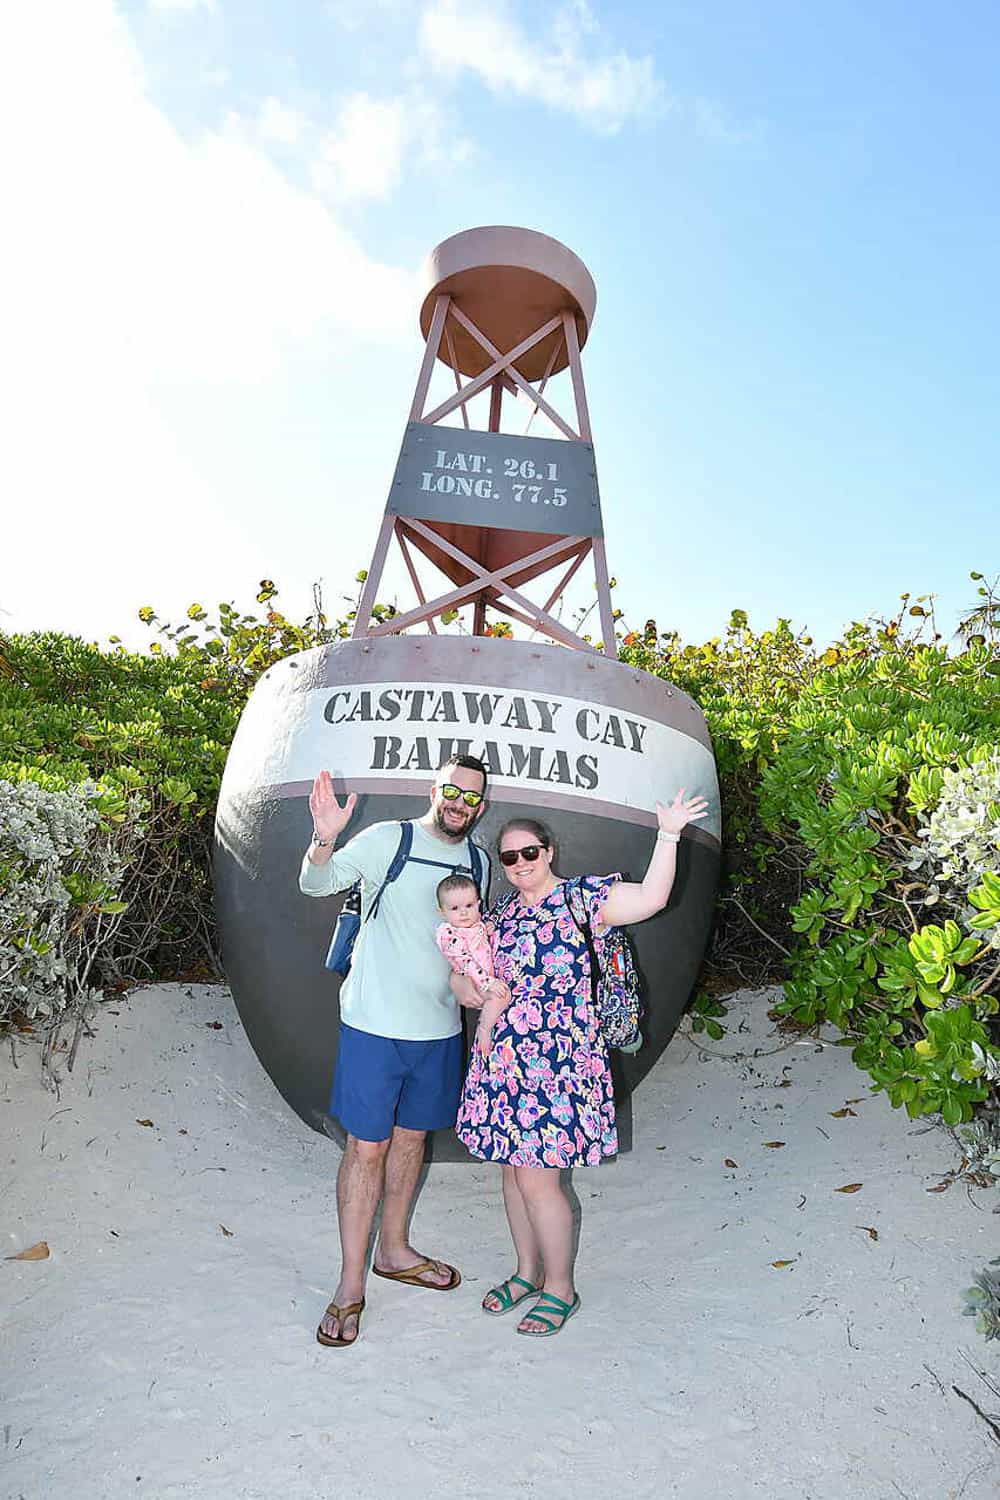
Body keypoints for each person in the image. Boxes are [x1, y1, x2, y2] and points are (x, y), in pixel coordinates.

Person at [453, 789, 709, 1337]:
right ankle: (526, 1273)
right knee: (511, 1174)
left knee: (541, 1181)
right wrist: (469, 990)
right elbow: (464, 970)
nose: (520, 864)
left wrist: (668, 835)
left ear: (548, 852)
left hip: (560, 1063)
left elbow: (652, 898)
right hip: (502, 1063)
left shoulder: (581, 899)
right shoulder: (496, 918)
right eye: (509, 857)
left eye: (529, 852)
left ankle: (559, 1288)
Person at [300, 755, 492, 1348]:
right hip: (373, 1026)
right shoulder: (389, 839)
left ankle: (395, 1251)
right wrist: (323, 840)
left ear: (481, 807)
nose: (461, 802)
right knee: (367, 1147)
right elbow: (316, 884)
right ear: (436, 789)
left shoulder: (479, 862)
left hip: (439, 1031)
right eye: (453, 790)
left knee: (412, 1142)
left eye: (473, 797)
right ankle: (350, 1286)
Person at [435, 873, 508, 1058]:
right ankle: (484, 1029)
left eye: (469, 905)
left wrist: (487, 928)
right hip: (475, 981)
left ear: (478, 903)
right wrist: (488, 983)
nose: (463, 912)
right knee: (501, 997)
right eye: (454, 908)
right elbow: (466, 963)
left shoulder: (477, 925)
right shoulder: (448, 933)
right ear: (442, 911)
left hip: (486, 976)